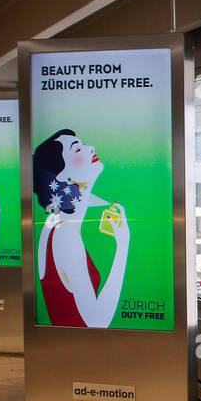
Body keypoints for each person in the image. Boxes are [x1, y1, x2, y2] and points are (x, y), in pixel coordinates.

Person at [33, 129, 129, 327]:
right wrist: (123, 244)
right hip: (82, 349)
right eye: (77, 149)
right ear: (61, 177)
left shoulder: (54, 224)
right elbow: (98, 320)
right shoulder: (65, 233)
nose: (90, 148)